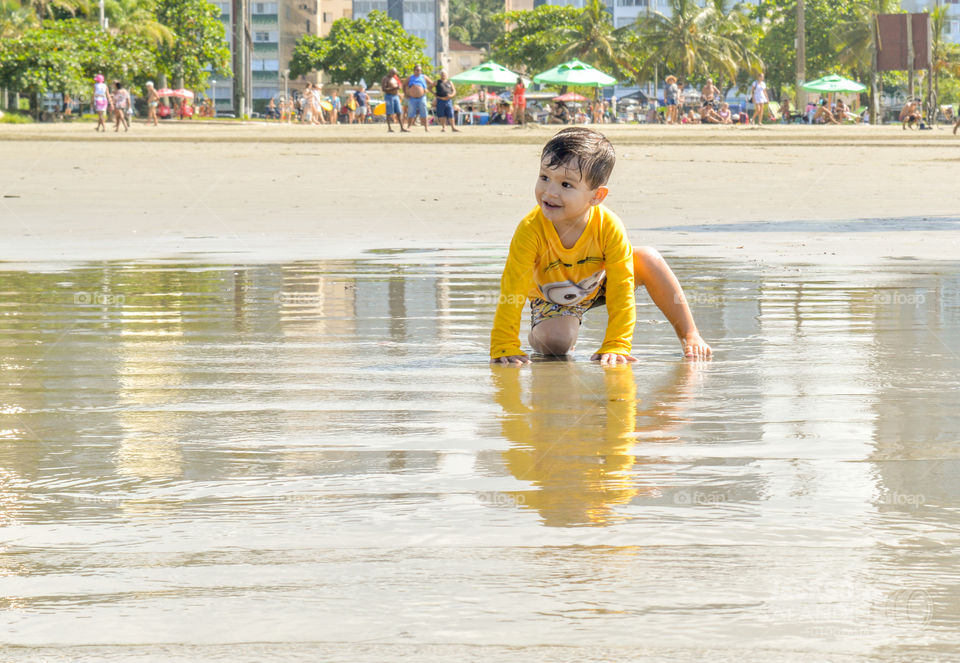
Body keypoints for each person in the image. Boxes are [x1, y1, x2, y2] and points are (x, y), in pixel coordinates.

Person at [489, 127, 713, 365]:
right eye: (544, 177)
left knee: (648, 258)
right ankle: (554, 326)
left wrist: (617, 343)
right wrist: (504, 344)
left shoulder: (609, 226)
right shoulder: (530, 228)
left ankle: (690, 334)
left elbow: (622, 289)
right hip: (552, 297)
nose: (550, 191)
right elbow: (512, 288)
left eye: (566, 184)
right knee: (556, 344)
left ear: (596, 196)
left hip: (600, 282)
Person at [405, 64, 433, 132]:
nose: (419, 72)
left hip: (422, 97)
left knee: (424, 112)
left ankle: (426, 127)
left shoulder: (424, 77)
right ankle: (409, 127)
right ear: (414, 71)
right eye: (417, 70)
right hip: (412, 98)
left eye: (420, 70)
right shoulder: (410, 77)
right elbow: (404, 85)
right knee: (411, 112)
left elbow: (432, 83)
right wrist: (406, 93)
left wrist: (428, 89)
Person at [381, 67, 407, 133]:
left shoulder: (394, 78)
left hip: (396, 96)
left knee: (399, 112)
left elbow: (397, 87)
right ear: (390, 72)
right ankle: (389, 128)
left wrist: (398, 90)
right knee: (389, 112)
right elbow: (384, 89)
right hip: (389, 96)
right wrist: (393, 88)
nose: (393, 74)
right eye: (392, 73)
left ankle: (402, 127)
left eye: (394, 73)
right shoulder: (385, 79)